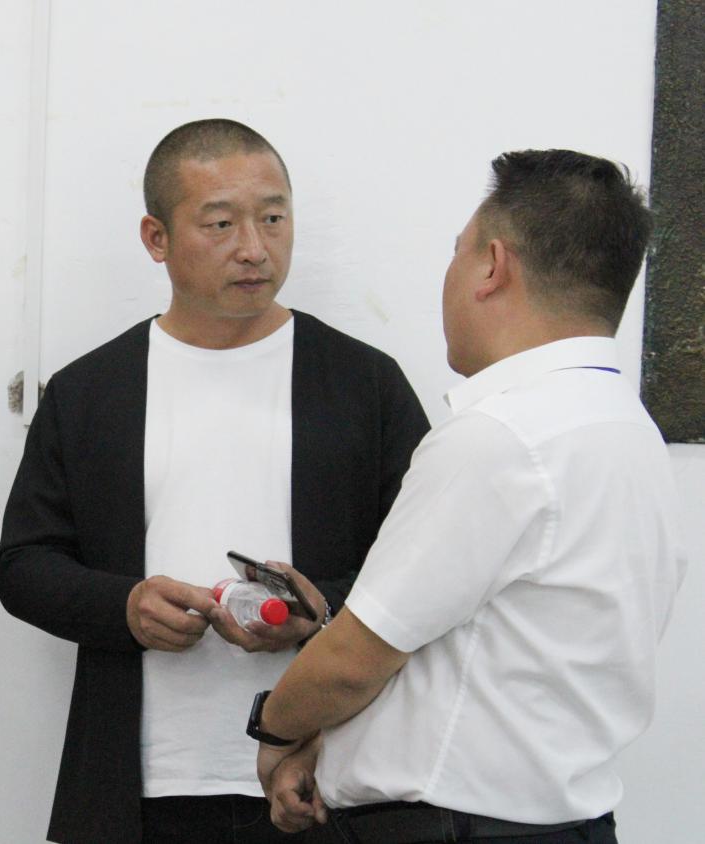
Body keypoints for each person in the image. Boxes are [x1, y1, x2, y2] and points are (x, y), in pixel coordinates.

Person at [0, 118, 430, 843]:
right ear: (156, 238)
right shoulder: (90, 391)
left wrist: (321, 611)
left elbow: (426, 566)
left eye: (273, 219)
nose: (254, 248)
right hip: (141, 787)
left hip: (324, 777)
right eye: (221, 224)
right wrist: (125, 606)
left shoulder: (363, 383)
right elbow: (22, 565)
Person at [254, 150, 686, 844]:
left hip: (457, 828)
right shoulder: (628, 430)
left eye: (457, 251)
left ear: (492, 266)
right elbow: (486, 658)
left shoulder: (501, 436)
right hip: (566, 825)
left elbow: (352, 661)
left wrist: (276, 730)